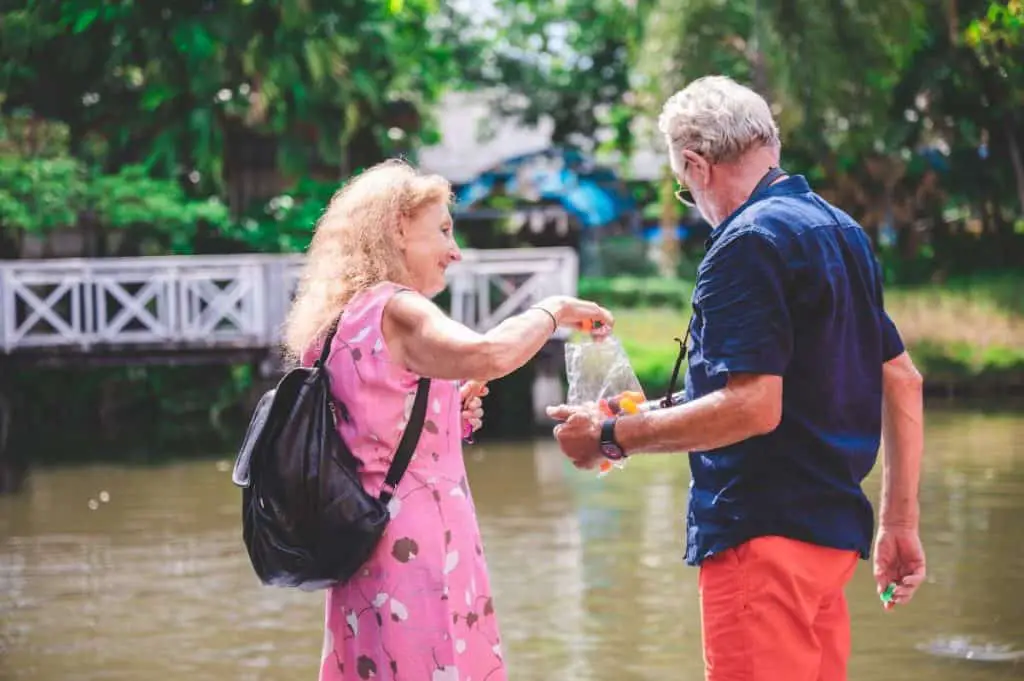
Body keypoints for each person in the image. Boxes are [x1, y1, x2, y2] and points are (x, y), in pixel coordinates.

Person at [547, 76, 926, 681]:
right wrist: (900, 525)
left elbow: (753, 406)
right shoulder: (842, 231)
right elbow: (902, 380)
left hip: (760, 539)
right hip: (830, 540)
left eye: (681, 185)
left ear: (696, 166)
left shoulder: (746, 242)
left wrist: (614, 436)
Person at [283, 159, 613, 681]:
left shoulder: (339, 321)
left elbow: (370, 435)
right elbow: (489, 354)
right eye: (442, 230)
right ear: (397, 229)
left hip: (362, 543)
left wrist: (442, 408)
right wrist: (552, 310)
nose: (454, 251)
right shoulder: (400, 308)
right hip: (417, 545)